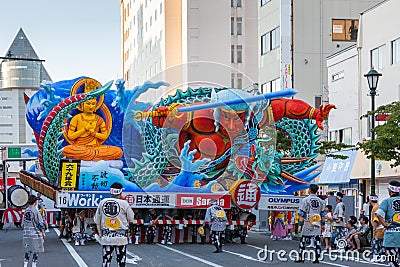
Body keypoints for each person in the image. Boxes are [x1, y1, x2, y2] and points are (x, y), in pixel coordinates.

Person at [62, 79, 123, 161]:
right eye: (88, 104)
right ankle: (95, 159)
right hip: (80, 148)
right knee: (66, 150)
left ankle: (90, 158)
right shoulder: (77, 118)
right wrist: (84, 129)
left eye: (93, 104)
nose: (91, 106)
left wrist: (93, 133)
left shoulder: (99, 119)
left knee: (117, 151)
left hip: (96, 148)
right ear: (82, 104)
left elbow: (104, 136)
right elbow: (70, 136)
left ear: (96, 105)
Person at [94, 182, 135, 267]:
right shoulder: (124, 203)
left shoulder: (102, 202)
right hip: (121, 238)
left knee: (106, 261)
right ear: (120, 192)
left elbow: (97, 221)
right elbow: (131, 218)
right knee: (121, 262)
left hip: (107, 236)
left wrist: (101, 234)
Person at [295, 184, 325, 264]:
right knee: (317, 240)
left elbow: (302, 213)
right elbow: (323, 214)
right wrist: (323, 225)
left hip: (308, 221)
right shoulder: (321, 201)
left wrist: (300, 225)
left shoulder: (306, 200)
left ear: (310, 190)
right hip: (317, 222)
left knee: (303, 240)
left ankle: (301, 257)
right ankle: (317, 258)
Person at [375, 180, 400, 267]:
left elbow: (378, 214)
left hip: (391, 236)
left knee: (392, 261)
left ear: (390, 190)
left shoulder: (387, 201)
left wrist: (385, 224)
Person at [23, 195, 45, 267]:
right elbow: (40, 223)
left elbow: (23, 223)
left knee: (28, 249)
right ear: (35, 202)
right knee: (36, 249)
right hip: (35, 233)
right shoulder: (35, 211)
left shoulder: (26, 210)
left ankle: (25, 264)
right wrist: (43, 232)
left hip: (26, 233)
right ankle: (34, 264)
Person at [369, 195, 385, 263]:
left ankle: (376, 256)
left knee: (375, 243)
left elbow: (376, 220)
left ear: (370, 200)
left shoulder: (375, 208)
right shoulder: (378, 206)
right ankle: (382, 257)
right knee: (381, 243)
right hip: (382, 227)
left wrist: (374, 229)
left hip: (378, 228)